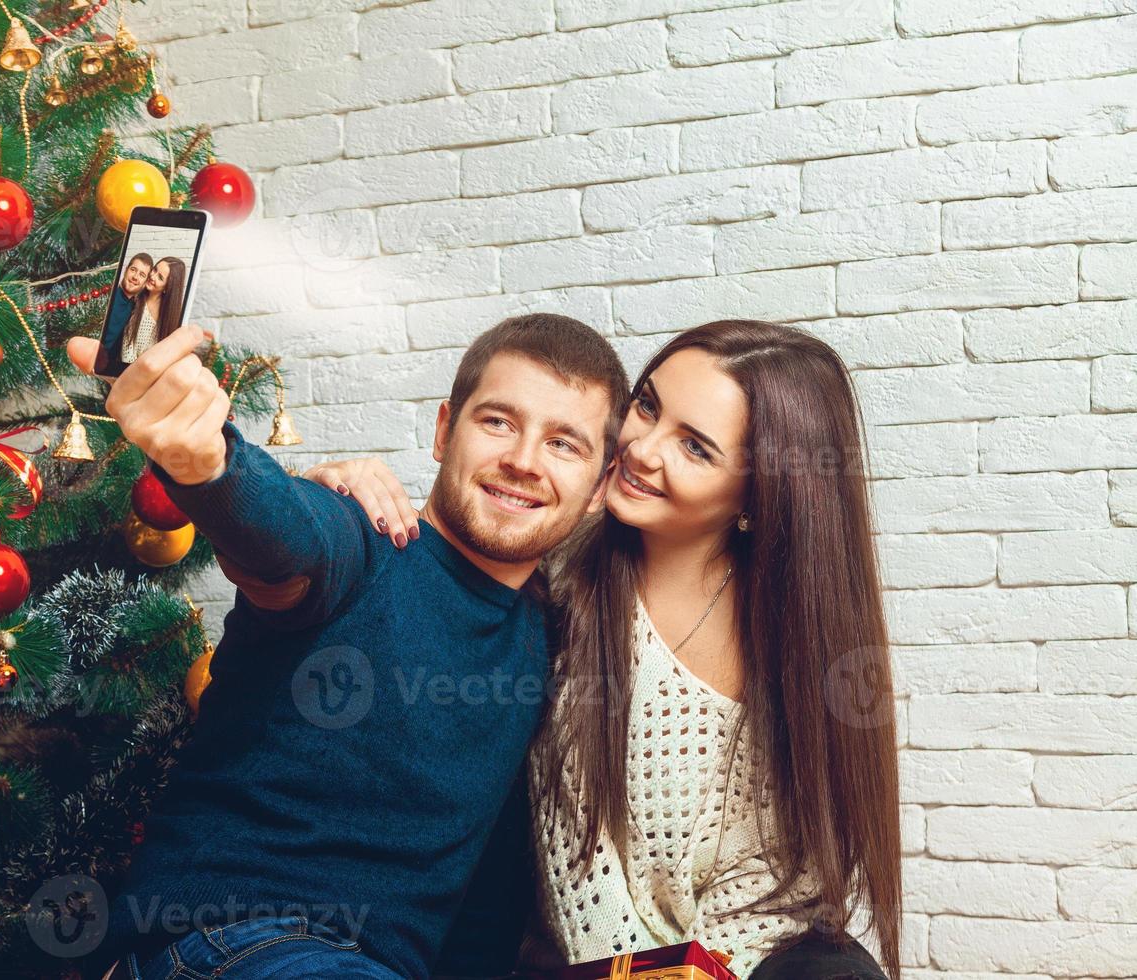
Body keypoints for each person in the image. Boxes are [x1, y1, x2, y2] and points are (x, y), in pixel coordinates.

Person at [304, 320, 901, 980]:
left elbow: (782, 886)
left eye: (695, 448)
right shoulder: (548, 565)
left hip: (733, 953)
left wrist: (696, 970)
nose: (641, 448)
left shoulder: (796, 640)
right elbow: (426, 568)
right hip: (550, 952)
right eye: (647, 406)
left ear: (758, 495)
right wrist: (338, 491)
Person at [64, 313, 631, 980]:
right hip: (223, 944)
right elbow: (284, 539)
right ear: (446, 431)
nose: (523, 461)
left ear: (600, 487)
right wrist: (207, 462)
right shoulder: (363, 538)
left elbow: (489, 900)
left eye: (564, 444)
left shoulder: (548, 641)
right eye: (498, 422)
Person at [119, 256, 187, 364]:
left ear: (167, 288)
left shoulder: (168, 319)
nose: (152, 276)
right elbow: (127, 341)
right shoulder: (136, 298)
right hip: (123, 367)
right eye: (154, 269)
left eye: (160, 277)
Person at [96, 252, 154, 375]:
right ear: (126, 269)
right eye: (133, 270)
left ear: (145, 282)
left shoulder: (136, 309)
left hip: (109, 369)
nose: (135, 277)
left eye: (142, 275)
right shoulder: (106, 296)